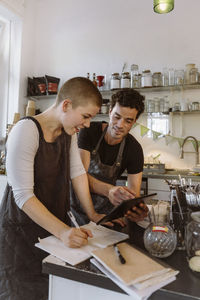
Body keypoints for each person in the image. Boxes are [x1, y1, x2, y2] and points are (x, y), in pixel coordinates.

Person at [0, 77, 104, 300]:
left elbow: (77, 172)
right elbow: (23, 197)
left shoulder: (69, 133)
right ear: (66, 105)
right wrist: (64, 232)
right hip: (20, 237)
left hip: (51, 231)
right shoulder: (25, 130)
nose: (87, 124)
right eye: (85, 116)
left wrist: (92, 215)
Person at [70, 88, 148, 228]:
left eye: (128, 121)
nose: (120, 125)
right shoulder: (88, 131)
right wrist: (109, 190)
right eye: (117, 117)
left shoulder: (134, 149)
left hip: (104, 214)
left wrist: (135, 210)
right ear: (110, 110)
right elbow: (80, 174)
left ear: (135, 121)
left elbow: (133, 194)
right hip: (75, 209)